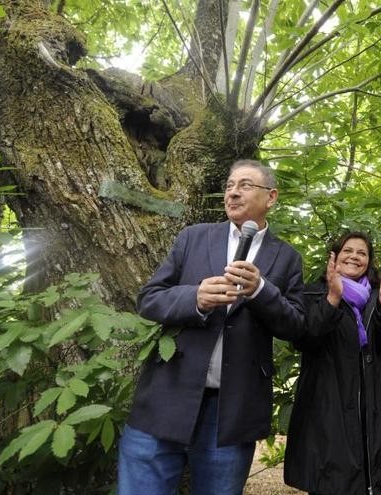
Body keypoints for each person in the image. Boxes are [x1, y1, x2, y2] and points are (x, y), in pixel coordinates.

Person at [117, 159, 306, 495]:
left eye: (245, 185)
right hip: (165, 398)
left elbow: (295, 326)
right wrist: (196, 298)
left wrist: (262, 291)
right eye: (230, 185)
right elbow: (149, 299)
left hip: (232, 412)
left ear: (271, 197)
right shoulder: (193, 237)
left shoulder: (287, 257)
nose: (232, 192)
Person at [284, 232, 381, 495]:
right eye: (348, 250)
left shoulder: (378, 296)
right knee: (332, 482)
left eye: (362, 253)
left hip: (376, 405)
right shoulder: (313, 293)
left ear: (369, 261)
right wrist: (332, 299)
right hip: (326, 407)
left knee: (376, 479)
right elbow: (305, 338)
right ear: (334, 255)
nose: (354, 257)